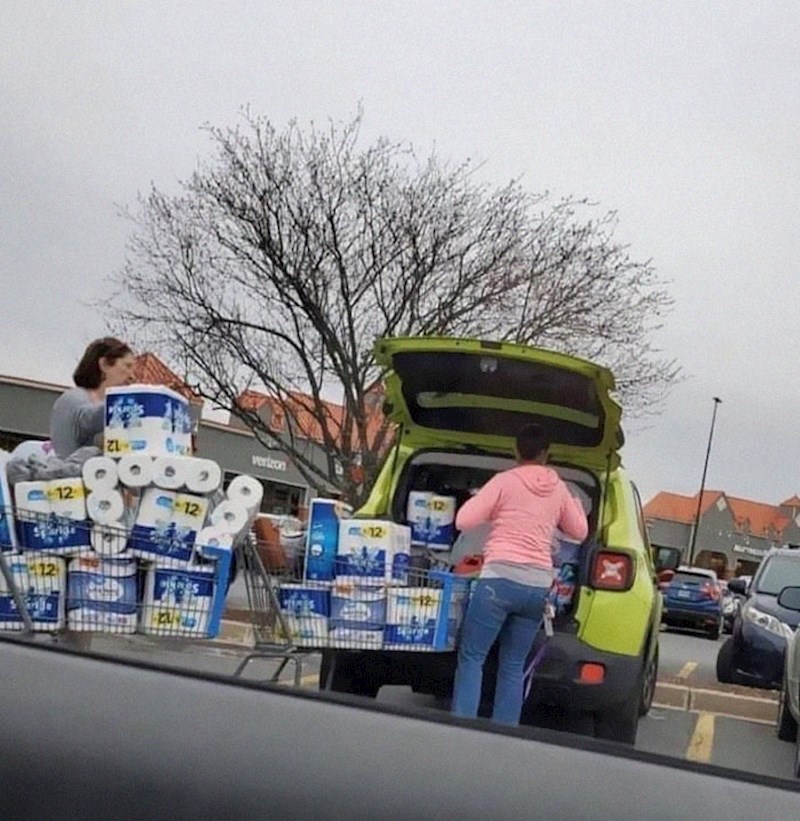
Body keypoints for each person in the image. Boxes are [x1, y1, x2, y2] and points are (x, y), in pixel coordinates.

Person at [451, 423, 588, 726]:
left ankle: (460, 729)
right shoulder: (559, 488)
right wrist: (575, 505)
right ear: (545, 454)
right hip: (537, 586)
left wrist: (483, 502)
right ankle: (504, 736)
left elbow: (463, 520)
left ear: (515, 451)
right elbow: (579, 531)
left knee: (473, 657)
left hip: (498, 580)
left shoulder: (504, 482)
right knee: (513, 665)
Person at [50, 337, 136, 458]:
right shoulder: (73, 398)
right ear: (104, 364)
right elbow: (88, 420)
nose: (132, 376)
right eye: (127, 366)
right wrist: (135, 401)